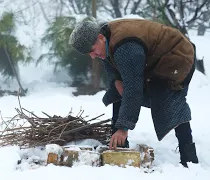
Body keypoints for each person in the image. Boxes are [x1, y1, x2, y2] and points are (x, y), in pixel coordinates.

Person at [68, 18, 199, 168]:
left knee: (169, 101)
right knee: (118, 90)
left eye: (92, 50)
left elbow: (134, 88)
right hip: (154, 58)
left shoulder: (125, 47)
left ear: (100, 38)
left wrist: (124, 127)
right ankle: (119, 145)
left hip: (177, 55)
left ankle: (189, 157)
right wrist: (117, 80)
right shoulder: (105, 40)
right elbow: (114, 69)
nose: (92, 56)